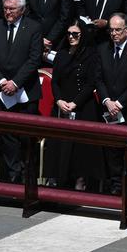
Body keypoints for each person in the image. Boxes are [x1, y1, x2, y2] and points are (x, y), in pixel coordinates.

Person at [0, 0, 43, 182]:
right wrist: (2, 82)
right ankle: (12, 176)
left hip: (26, 92)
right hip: (3, 92)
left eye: (12, 8)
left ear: (22, 10)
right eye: (5, 8)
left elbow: (34, 59)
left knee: (26, 135)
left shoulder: (33, 28)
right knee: (7, 135)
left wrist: (15, 83)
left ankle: (28, 175)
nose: (8, 12)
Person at [46, 21, 105, 190]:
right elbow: (55, 81)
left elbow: (90, 83)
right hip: (62, 103)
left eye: (75, 34)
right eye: (69, 34)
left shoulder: (91, 55)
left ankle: (80, 181)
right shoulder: (62, 54)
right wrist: (58, 100)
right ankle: (57, 178)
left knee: (80, 148)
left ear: (83, 35)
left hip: (82, 105)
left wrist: (75, 103)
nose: (71, 37)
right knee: (57, 142)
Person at [96, 11, 127, 194]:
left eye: (118, 30)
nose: (114, 33)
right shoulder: (103, 49)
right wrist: (108, 101)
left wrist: (119, 103)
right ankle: (114, 185)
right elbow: (98, 78)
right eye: (111, 30)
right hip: (108, 108)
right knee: (110, 148)